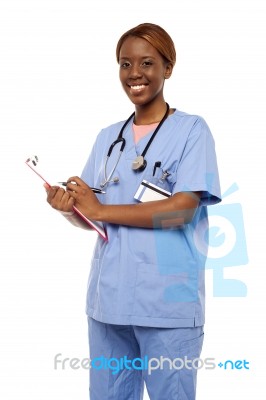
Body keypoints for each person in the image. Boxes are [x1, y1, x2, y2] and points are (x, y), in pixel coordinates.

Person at [45, 23, 221, 400]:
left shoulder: (192, 130)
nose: (135, 74)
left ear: (167, 68)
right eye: (125, 64)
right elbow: (93, 215)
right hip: (109, 303)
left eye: (147, 63)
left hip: (166, 306)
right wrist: (68, 209)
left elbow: (182, 211)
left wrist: (100, 211)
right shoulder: (109, 137)